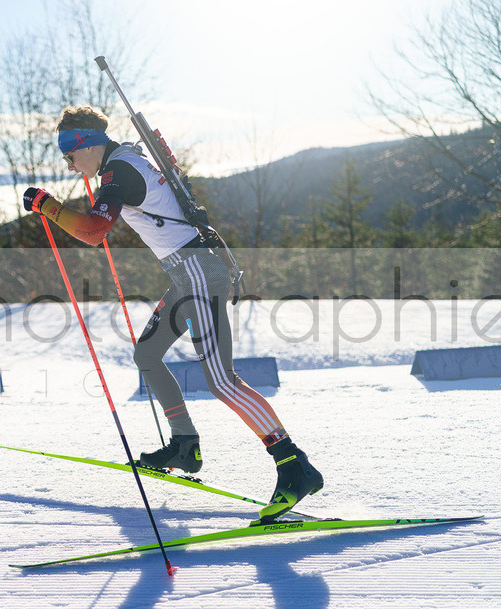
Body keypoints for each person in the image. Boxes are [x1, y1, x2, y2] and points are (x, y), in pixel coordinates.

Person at [22, 105, 323, 522]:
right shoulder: (123, 160)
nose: (69, 165)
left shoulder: (119, 172)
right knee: (146, 355)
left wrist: (47, 206)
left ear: (86, 145)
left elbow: (93, 231)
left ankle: (295, 467)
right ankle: (185, 445)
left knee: (222, 380)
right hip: (187, 276)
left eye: (68, 156)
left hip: (199, 273)